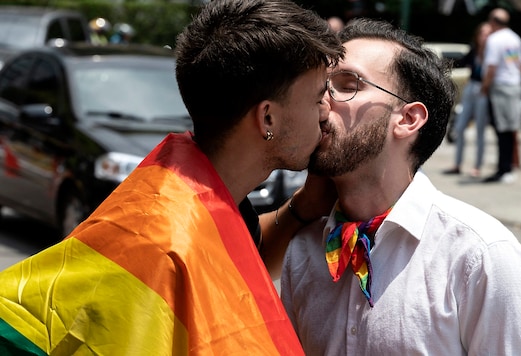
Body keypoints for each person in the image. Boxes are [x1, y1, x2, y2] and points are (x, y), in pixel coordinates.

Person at [0, 0, 344, 354]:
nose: (326, 110)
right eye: (318, 97)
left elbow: (233, 256)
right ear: (267, 118)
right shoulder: (163, 238)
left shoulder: (196, 190)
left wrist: (303, 207)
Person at [281, 18, 521, 355]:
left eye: (347, 84)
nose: (322, 103)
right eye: (322, 86)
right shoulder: (304, 250)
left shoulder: (481, 257)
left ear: (407, 119)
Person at [480, 8, 521, 183]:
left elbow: (491, 67)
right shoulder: (514, 38)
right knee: (509, 129)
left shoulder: (495, 39)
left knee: (501, 129)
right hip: (514, 86)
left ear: (493, 21)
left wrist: (485, 87)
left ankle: (503, 169)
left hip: (500, 87)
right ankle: (506, 167)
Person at [443, 21, 492, 178]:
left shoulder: (493, 51)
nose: (484, 37)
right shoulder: (474, 50)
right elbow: (462, 62)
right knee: (460, 126)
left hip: (484, 90)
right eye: (482, 33)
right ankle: (457, 164)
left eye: (487, 34)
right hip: (471, 86)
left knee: (480, 130)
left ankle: (477, 166)